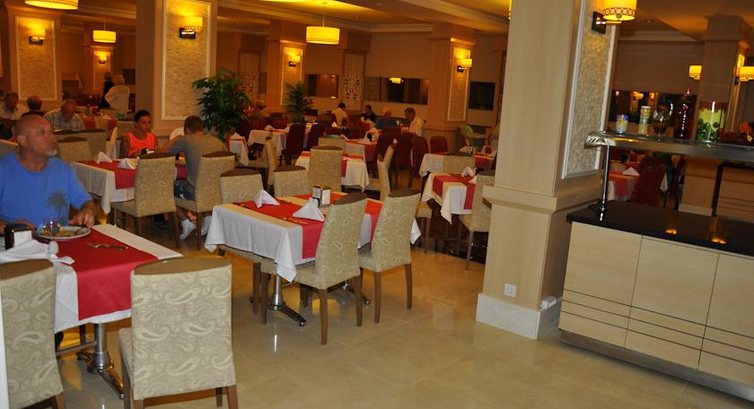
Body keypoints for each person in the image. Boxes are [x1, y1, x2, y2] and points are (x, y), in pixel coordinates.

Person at [0, 114, 96, 232]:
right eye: (42, 132)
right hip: (15, 241)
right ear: (23, 140)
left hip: (58, 239)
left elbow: (86, 201)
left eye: (51, 132)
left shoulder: (63, 169)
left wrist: (87, 211)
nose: (51, 137)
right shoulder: (4, 170)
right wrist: (8, 227)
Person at [162, 115, 227, 239]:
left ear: (187, 129)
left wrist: (176, 138)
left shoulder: (186, 140)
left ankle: (185, 221)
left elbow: (162, 154)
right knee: (200, 182)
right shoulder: (218, 141)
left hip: (196, 192)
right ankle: (208, 219)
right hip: (218, 191)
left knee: (165, 187)